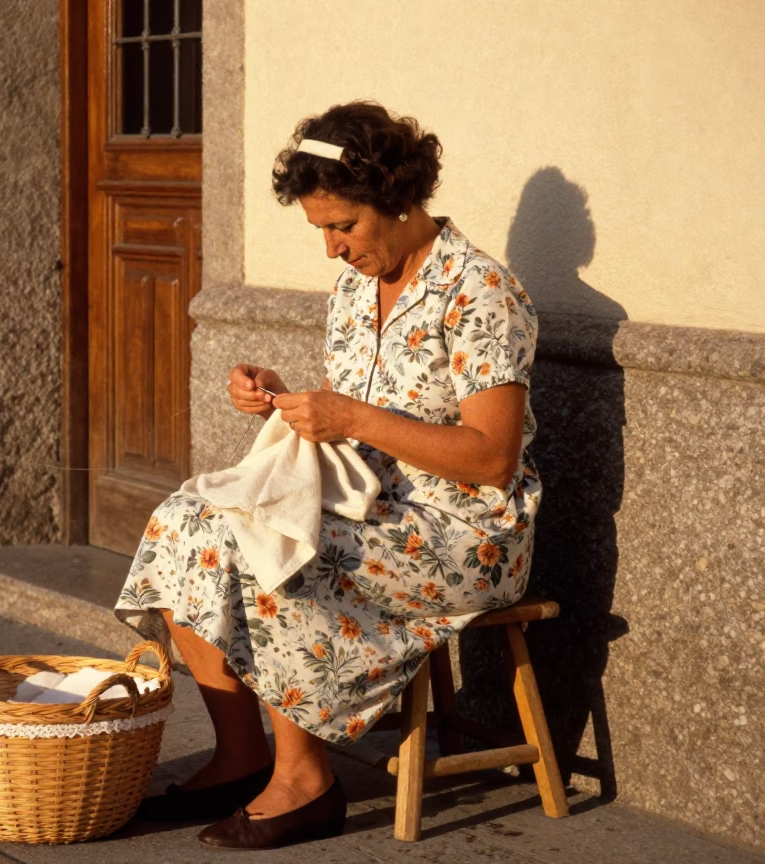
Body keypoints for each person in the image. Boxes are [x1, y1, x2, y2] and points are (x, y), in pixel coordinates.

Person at [114, 101, 540, 850]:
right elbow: (365, 409)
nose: (333, 249)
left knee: (274, 541)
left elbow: (491, 457)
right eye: (321, 230)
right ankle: (244, 755)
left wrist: (351, 420)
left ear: (399, 200)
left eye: (343, 225)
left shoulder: (480, 293)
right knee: (188, 517)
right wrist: (281, 396)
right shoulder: (355, 285)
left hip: (463, 534)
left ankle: (305, 779)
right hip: (369, 502)